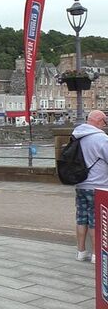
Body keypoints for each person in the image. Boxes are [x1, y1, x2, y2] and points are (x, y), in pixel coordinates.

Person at [72, 109, 108, 264]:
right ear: (99, 121)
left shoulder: (76, 135)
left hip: (80, 184)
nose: (105, 126)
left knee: (81, 218)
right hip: (98, 186)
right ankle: (95, 254)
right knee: (95, 220)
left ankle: (80, 251)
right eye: (105, 122)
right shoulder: (101, 138)